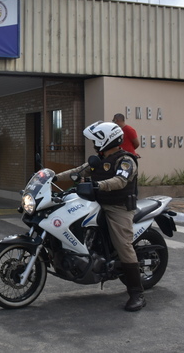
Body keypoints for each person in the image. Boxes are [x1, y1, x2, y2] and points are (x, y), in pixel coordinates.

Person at [53, 121, 144, 312]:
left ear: (107, 140)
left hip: (118, 208)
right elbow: (77, 171)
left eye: (96, 140)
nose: (93, 144)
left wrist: (99, 185)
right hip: (96, 203)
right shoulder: (98, 160)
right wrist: (52, 177)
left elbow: (120, 180)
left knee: (123, 245)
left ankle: (137, 294)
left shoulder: (126, 160)